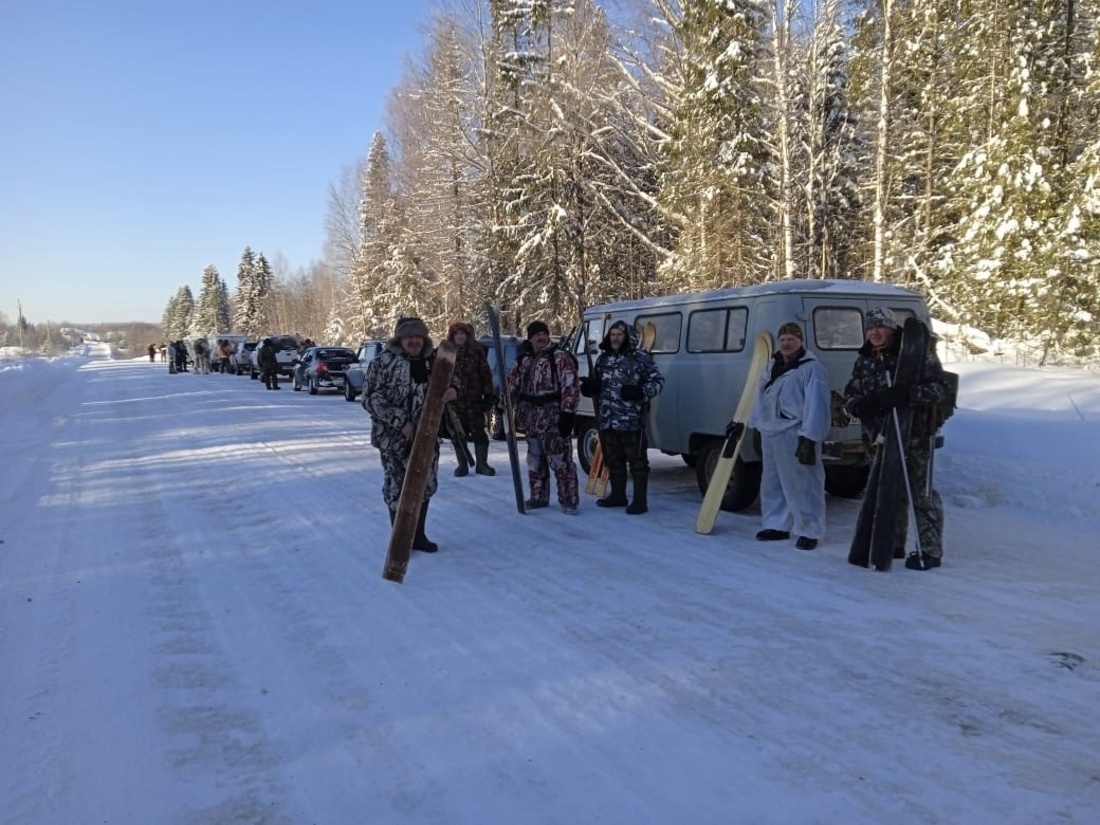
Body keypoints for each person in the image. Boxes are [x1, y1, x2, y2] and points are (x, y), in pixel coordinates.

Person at [843, 307, 948, 570]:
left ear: (891, 328)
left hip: (912, 436)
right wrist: (856, 404)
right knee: (889, 491)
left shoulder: (914, 354)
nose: (875, 332)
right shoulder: (865, 359)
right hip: (877, 437)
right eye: (870, 328)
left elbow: (938, 389)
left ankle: (930, 551)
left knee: (920, 494)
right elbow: (851, 391)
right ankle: (892, 542)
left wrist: (905, 395)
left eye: (880, 326)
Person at [363, 316, 458, 552]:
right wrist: (400, 421)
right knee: (397, 488)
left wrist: (455, 390)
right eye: (409, 337)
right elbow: (370, 398)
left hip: (428, 436)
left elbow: (454, 379)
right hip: (393, 439)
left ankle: (418, 537)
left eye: (418, 336)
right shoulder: (383, 363)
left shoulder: (435, 360)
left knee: (425, 485)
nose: (414, 341)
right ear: (400, 338)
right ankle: (400, 539)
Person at [747, 321, 831, 550]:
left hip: (795, 433)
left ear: (800, 341)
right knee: (772, 483)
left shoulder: (811, 369)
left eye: (791, 339)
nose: (786, 343)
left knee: (803, 484)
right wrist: (756, 424)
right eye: (782, 339)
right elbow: (760, 396)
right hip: (770, 432)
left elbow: (818, 405)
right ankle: (777, 525)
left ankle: (810, 530)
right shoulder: (771, 365)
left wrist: (810, 437)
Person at [579, 320, 664, 514]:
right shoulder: (603, 359)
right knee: (613, 459)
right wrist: (592, 386)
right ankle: (618, 495)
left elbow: (658, 382)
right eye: (613, 334)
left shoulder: (640, 358)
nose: (616, 338)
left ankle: (640, 501)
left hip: (630, 421)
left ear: (627, 337)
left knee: (638, 462)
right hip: (607, 419)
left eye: (619, 334)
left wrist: (640, 392)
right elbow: (599, 384)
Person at [507, 321, 580, 514]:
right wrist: (503, 405)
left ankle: (568, 499)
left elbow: (570, 387)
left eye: (543, 334)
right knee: (535, 460)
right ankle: (539, 496)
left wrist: (567, 414)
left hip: (553, 418)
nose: (541, 338)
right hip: (531, 419)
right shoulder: (523, 361)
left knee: (560, 461)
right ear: (530, 338)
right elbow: (512, 386)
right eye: (536, 335)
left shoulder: (560, 358)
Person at [446, 322, 497, 477]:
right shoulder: (446, 353)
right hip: (454, 403)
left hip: (475, 400)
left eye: (463, 333)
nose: (460, 336)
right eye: (457, 334)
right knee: (457, 434)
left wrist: (489, 394)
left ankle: (482, 464)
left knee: (479, 433)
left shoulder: (476, 352)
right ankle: (462, 465)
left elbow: (486, 373)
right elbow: (440, 376)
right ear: (452, 336)